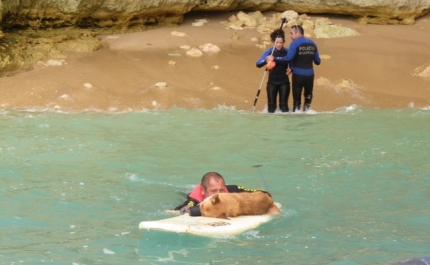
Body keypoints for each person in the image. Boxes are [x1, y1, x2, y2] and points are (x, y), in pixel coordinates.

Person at [173, 172, 266, 216]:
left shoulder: (232, 190)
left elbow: (262, 193)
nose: (219, 195)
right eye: (213, 191)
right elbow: (181, 211)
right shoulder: (194, 200)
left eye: (221, 190)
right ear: (203, 191)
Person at [284, 25, 321, 112]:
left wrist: (274, 58)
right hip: (309, 75)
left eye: (291, 33)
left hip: (298, 76)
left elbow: (289, 58)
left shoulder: (294, 44)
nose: (290, 36)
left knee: (297, 101)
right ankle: (306, 112)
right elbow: (317, 61)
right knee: (308, 96)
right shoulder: (313, 43)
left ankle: (296, 116)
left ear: (298, 33)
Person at [256, 29, 291, 113]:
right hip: (272, 83)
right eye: (277, 42)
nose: (279, 45)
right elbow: (258, 63)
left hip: (284, 82)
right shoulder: (269, 52)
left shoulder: (287, 52)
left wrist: (291, 69)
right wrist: (266, 60)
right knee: (271, 107)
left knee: (284, 107)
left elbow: (293, 62)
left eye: (281, 42)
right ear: (273, 42)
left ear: (283, 42)